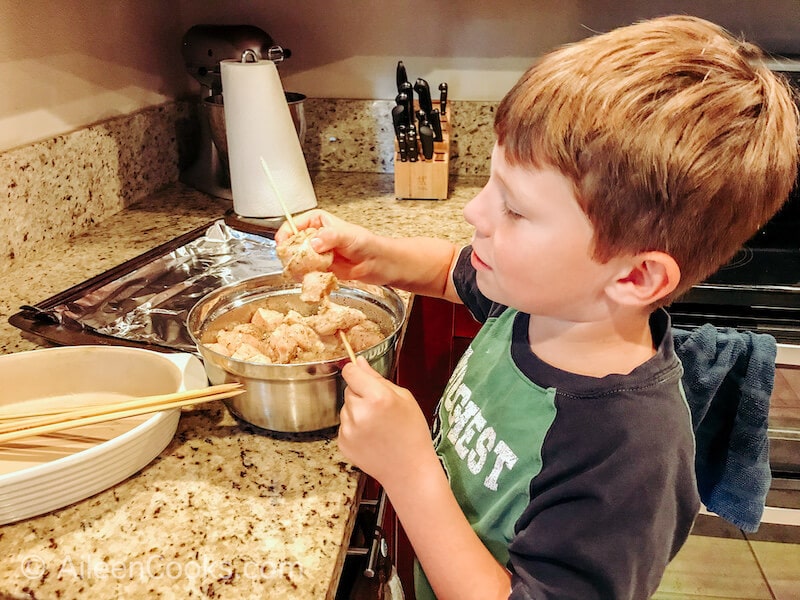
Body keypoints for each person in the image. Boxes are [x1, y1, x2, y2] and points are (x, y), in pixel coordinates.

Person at [275, 15, 799, 600]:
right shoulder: (538, 304)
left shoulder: (628, 454)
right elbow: (452, 271)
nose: (475, 213)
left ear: (634, 275)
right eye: (491, 185)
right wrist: (375, 256)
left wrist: (409, 472)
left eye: (515, 209)